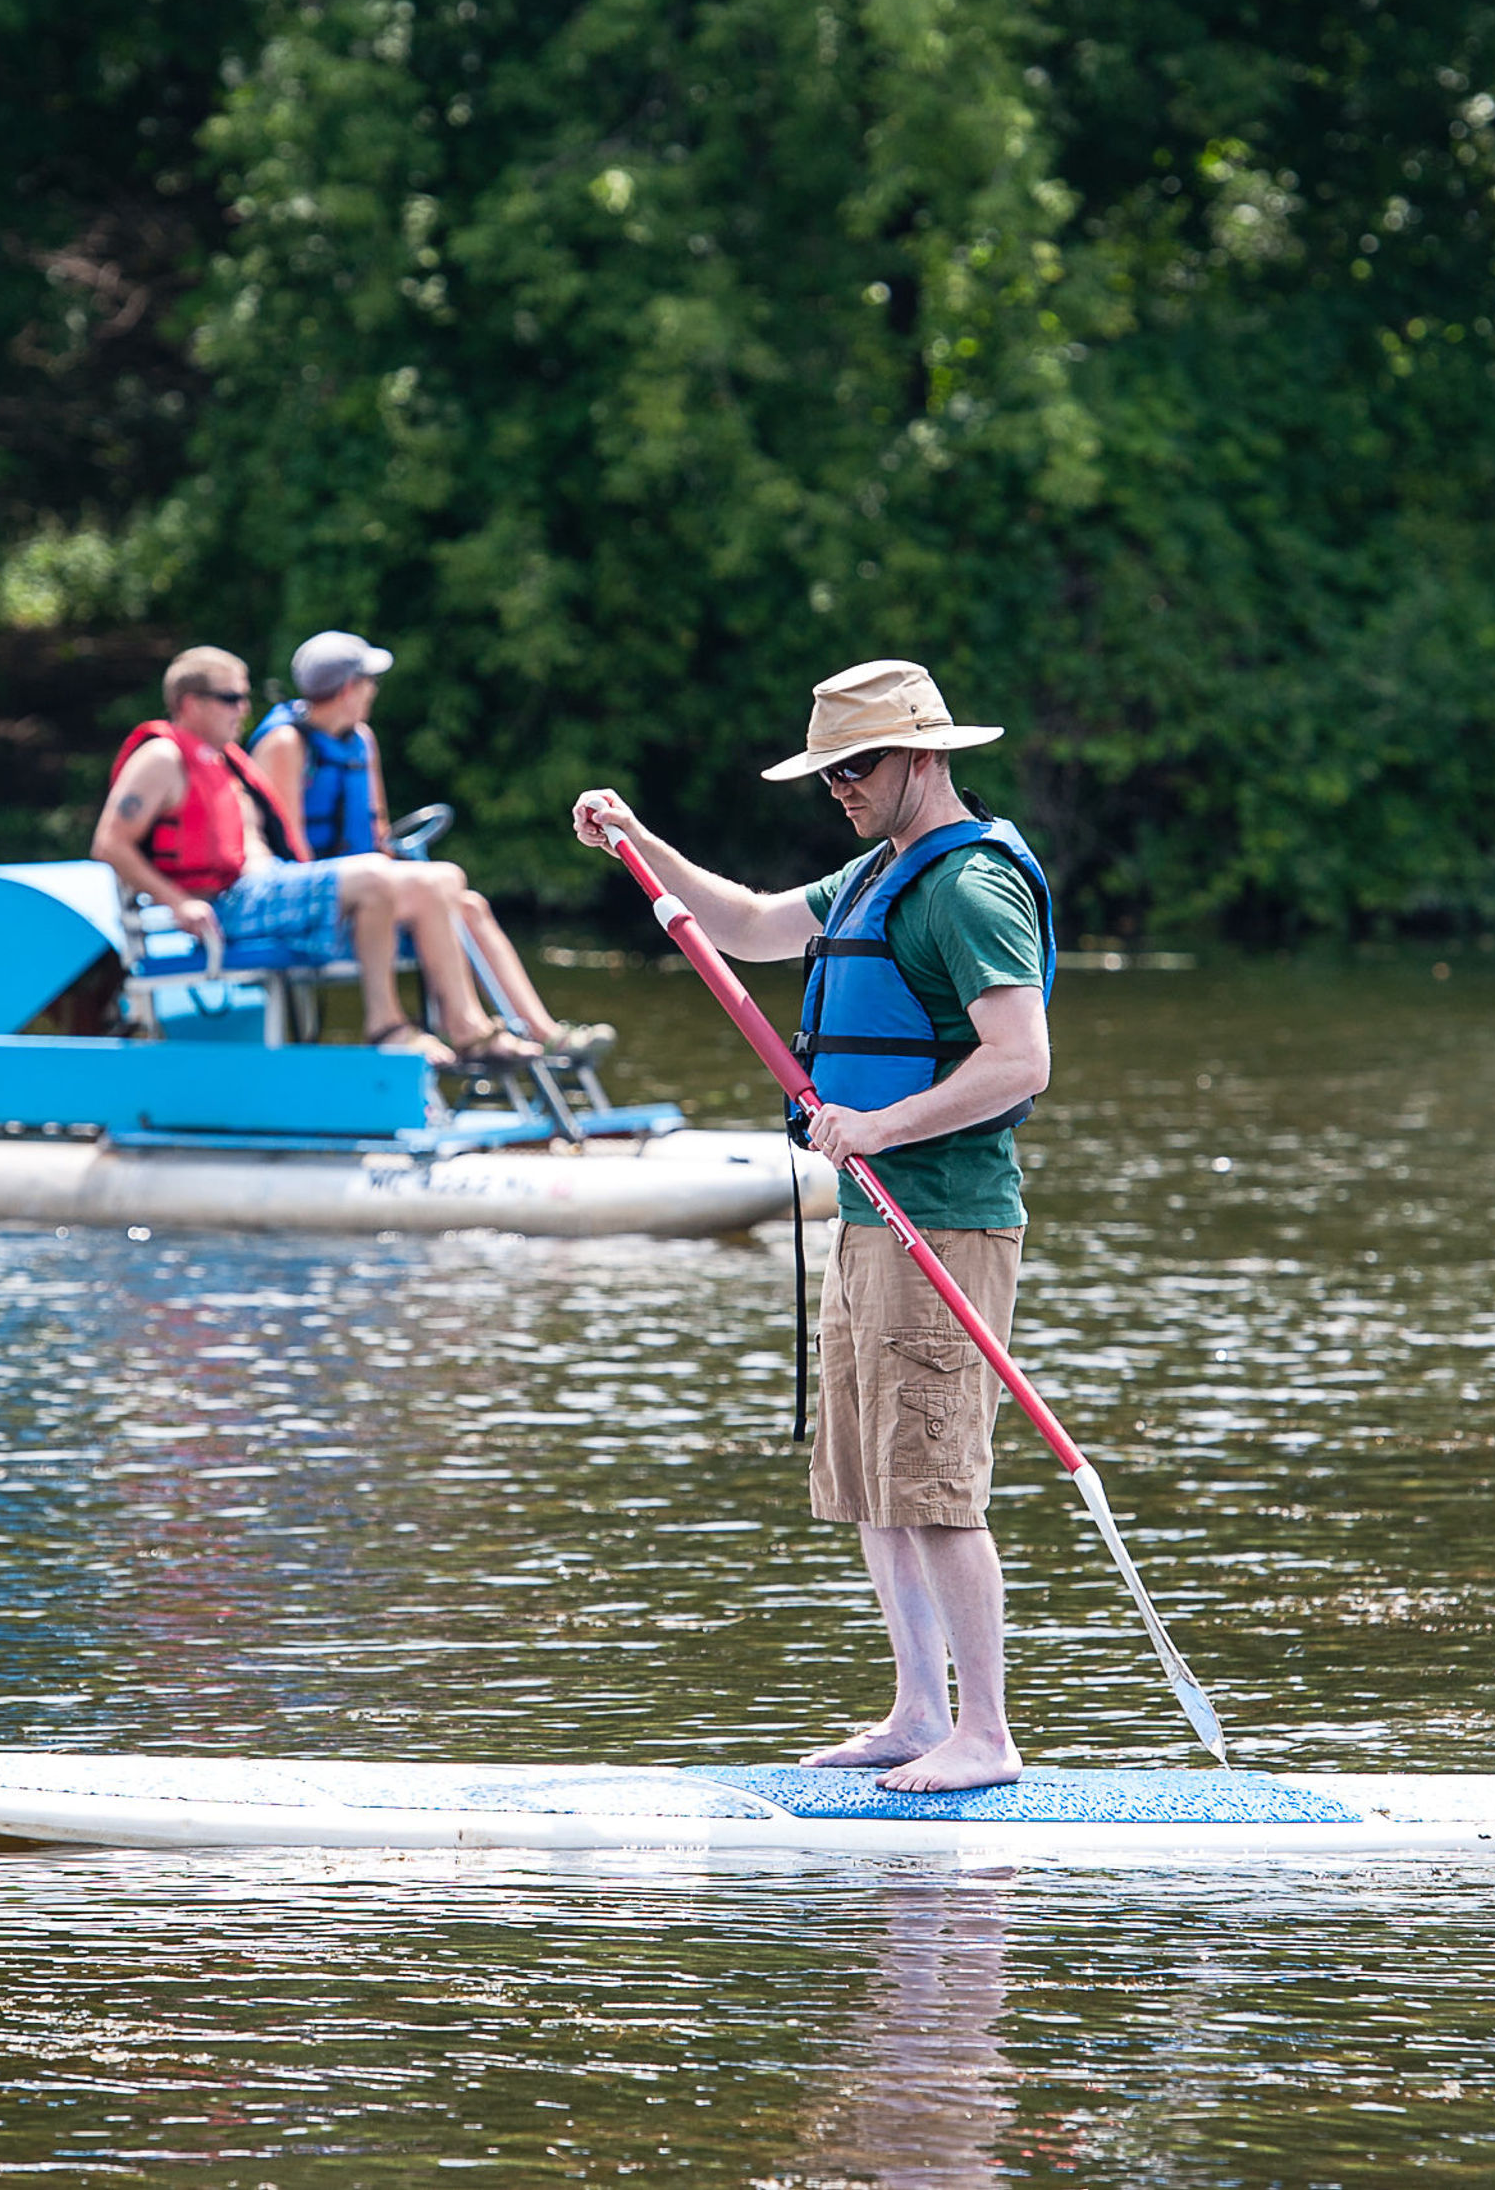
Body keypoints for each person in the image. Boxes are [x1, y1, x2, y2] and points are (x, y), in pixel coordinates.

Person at [570, 659, 1053, 1792]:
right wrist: (640, 841)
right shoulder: (875, 871)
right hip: (869, 1224)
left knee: (934, 1482)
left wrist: (881, 1123)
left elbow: (1021, 1059)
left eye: (860, 764)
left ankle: (985, 1729)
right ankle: (917, 1709)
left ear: (925, 758)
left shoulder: (967, 888)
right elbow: (742, 925)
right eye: (829, 768)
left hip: (946, 1219)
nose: (840, 784)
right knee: (871, 1479)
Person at [96, 645, 536, 1068]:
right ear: (189, 703)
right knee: (374, 876)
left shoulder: (222, 761)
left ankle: (469, 1028)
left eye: (245, 697)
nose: (243, 709)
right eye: (230, 698)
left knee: (439, 879)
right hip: (224, 910)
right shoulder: (162, 757)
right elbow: (109, 843)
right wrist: (178, 902)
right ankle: (386, 1026)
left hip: (263, 891)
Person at [253, 629, 612, 1060]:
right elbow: (289, 845)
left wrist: (390, 869)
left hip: (366, 888)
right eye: (370, 682)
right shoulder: (285, 744)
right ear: (349, 688)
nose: (373, 692)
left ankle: (542, 1033)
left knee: (469, 904)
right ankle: (462, 1028)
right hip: (314, 898)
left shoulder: (360, 739)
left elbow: (378, 829)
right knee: (440, 879)